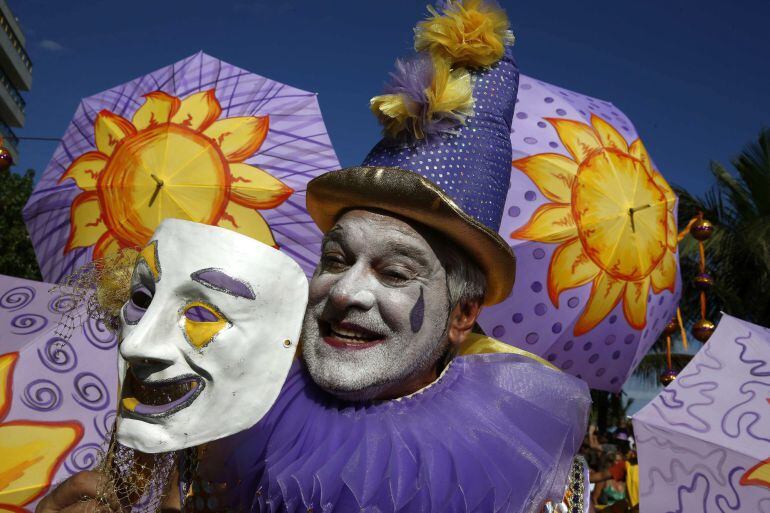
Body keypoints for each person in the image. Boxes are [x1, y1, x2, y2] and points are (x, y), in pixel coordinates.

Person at [37, 1, 591, 512]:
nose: (346, 292)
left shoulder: (509, 466)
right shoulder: (239, 396)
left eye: (395, 271)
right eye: (334, 259)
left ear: (462, 316)